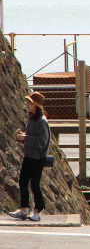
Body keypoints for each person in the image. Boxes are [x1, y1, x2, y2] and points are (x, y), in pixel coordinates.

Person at [8, 91, 51, 222]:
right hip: (29, 156)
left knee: (35, 184)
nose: (27, 104)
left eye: (29, 102)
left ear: (36, 105)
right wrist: (23, 135)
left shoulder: (42, 121)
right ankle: (24, 209)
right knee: (23, 182)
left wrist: (25, 138)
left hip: (37, 158)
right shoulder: (31, 118)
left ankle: (38, 210)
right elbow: (31, 137)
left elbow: (41, 141)